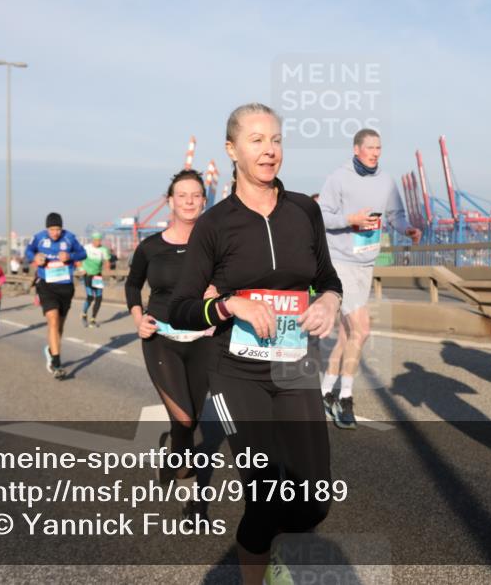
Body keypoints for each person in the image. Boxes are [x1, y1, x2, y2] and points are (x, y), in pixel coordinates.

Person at [169, 103, 342, 585]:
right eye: (257, 140)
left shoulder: (304, 210)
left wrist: (328, 302)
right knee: (266, 493)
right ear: (232, 149)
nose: (270, 151)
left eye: (277, 140)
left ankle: (280, 550)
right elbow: (180, 306)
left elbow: (328, 278)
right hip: (234, 370)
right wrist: (229, 306)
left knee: (312, 501)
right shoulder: (215, 224)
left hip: (295, 368)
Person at [316, 128, 421, 428]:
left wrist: (406, 229)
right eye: (370, 147)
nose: (376, 152)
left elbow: (395, 215)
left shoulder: (386, 181)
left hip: (366, 263)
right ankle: (345, 398)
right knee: (362, 329)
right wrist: (350, 219)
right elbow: (320, 215)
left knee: (348, 336)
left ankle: (324, 392)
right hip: (341, 263)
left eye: (379, 147)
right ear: (357, 149)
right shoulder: (339, 178)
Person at [126, 170, 215, 507]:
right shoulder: (151, 247)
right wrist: (138, 319)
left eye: (195, 195)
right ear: (170, 201)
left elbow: (234, 282)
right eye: (182, 195)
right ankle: (191, 496)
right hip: (161, 338)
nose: (189, 201)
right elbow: (133, 285)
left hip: (204, 340)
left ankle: (171, 455)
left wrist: (220, 289)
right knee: (186, 418)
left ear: (204, 201)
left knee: (188, 416)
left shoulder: (215, 246)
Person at [25, 213, 87, 379]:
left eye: (58, 229)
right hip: (46, 285)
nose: (55, 233)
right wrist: (35, 257)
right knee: (52, 320)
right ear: (47, 228)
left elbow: (83, 253)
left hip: (65, 286)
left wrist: (70, 256)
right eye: (52, 229)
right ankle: (57, 363)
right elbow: (28, 251)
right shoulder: (38, 238)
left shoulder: (69, 238)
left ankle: (51, 349)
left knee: (59, 325)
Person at [80, 232, 112, 328]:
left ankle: (93, 319)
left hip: (97, 276)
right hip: (88, 275)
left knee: (99, 298)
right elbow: (78, 260)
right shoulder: (86, 248)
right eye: (96, 240)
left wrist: (107, 267)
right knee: (90, 297)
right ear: (92, 240)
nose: (98, 242)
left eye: (99, 240)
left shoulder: (103, 249)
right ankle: (84, 314)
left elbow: (107, 261)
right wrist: (81, 269)